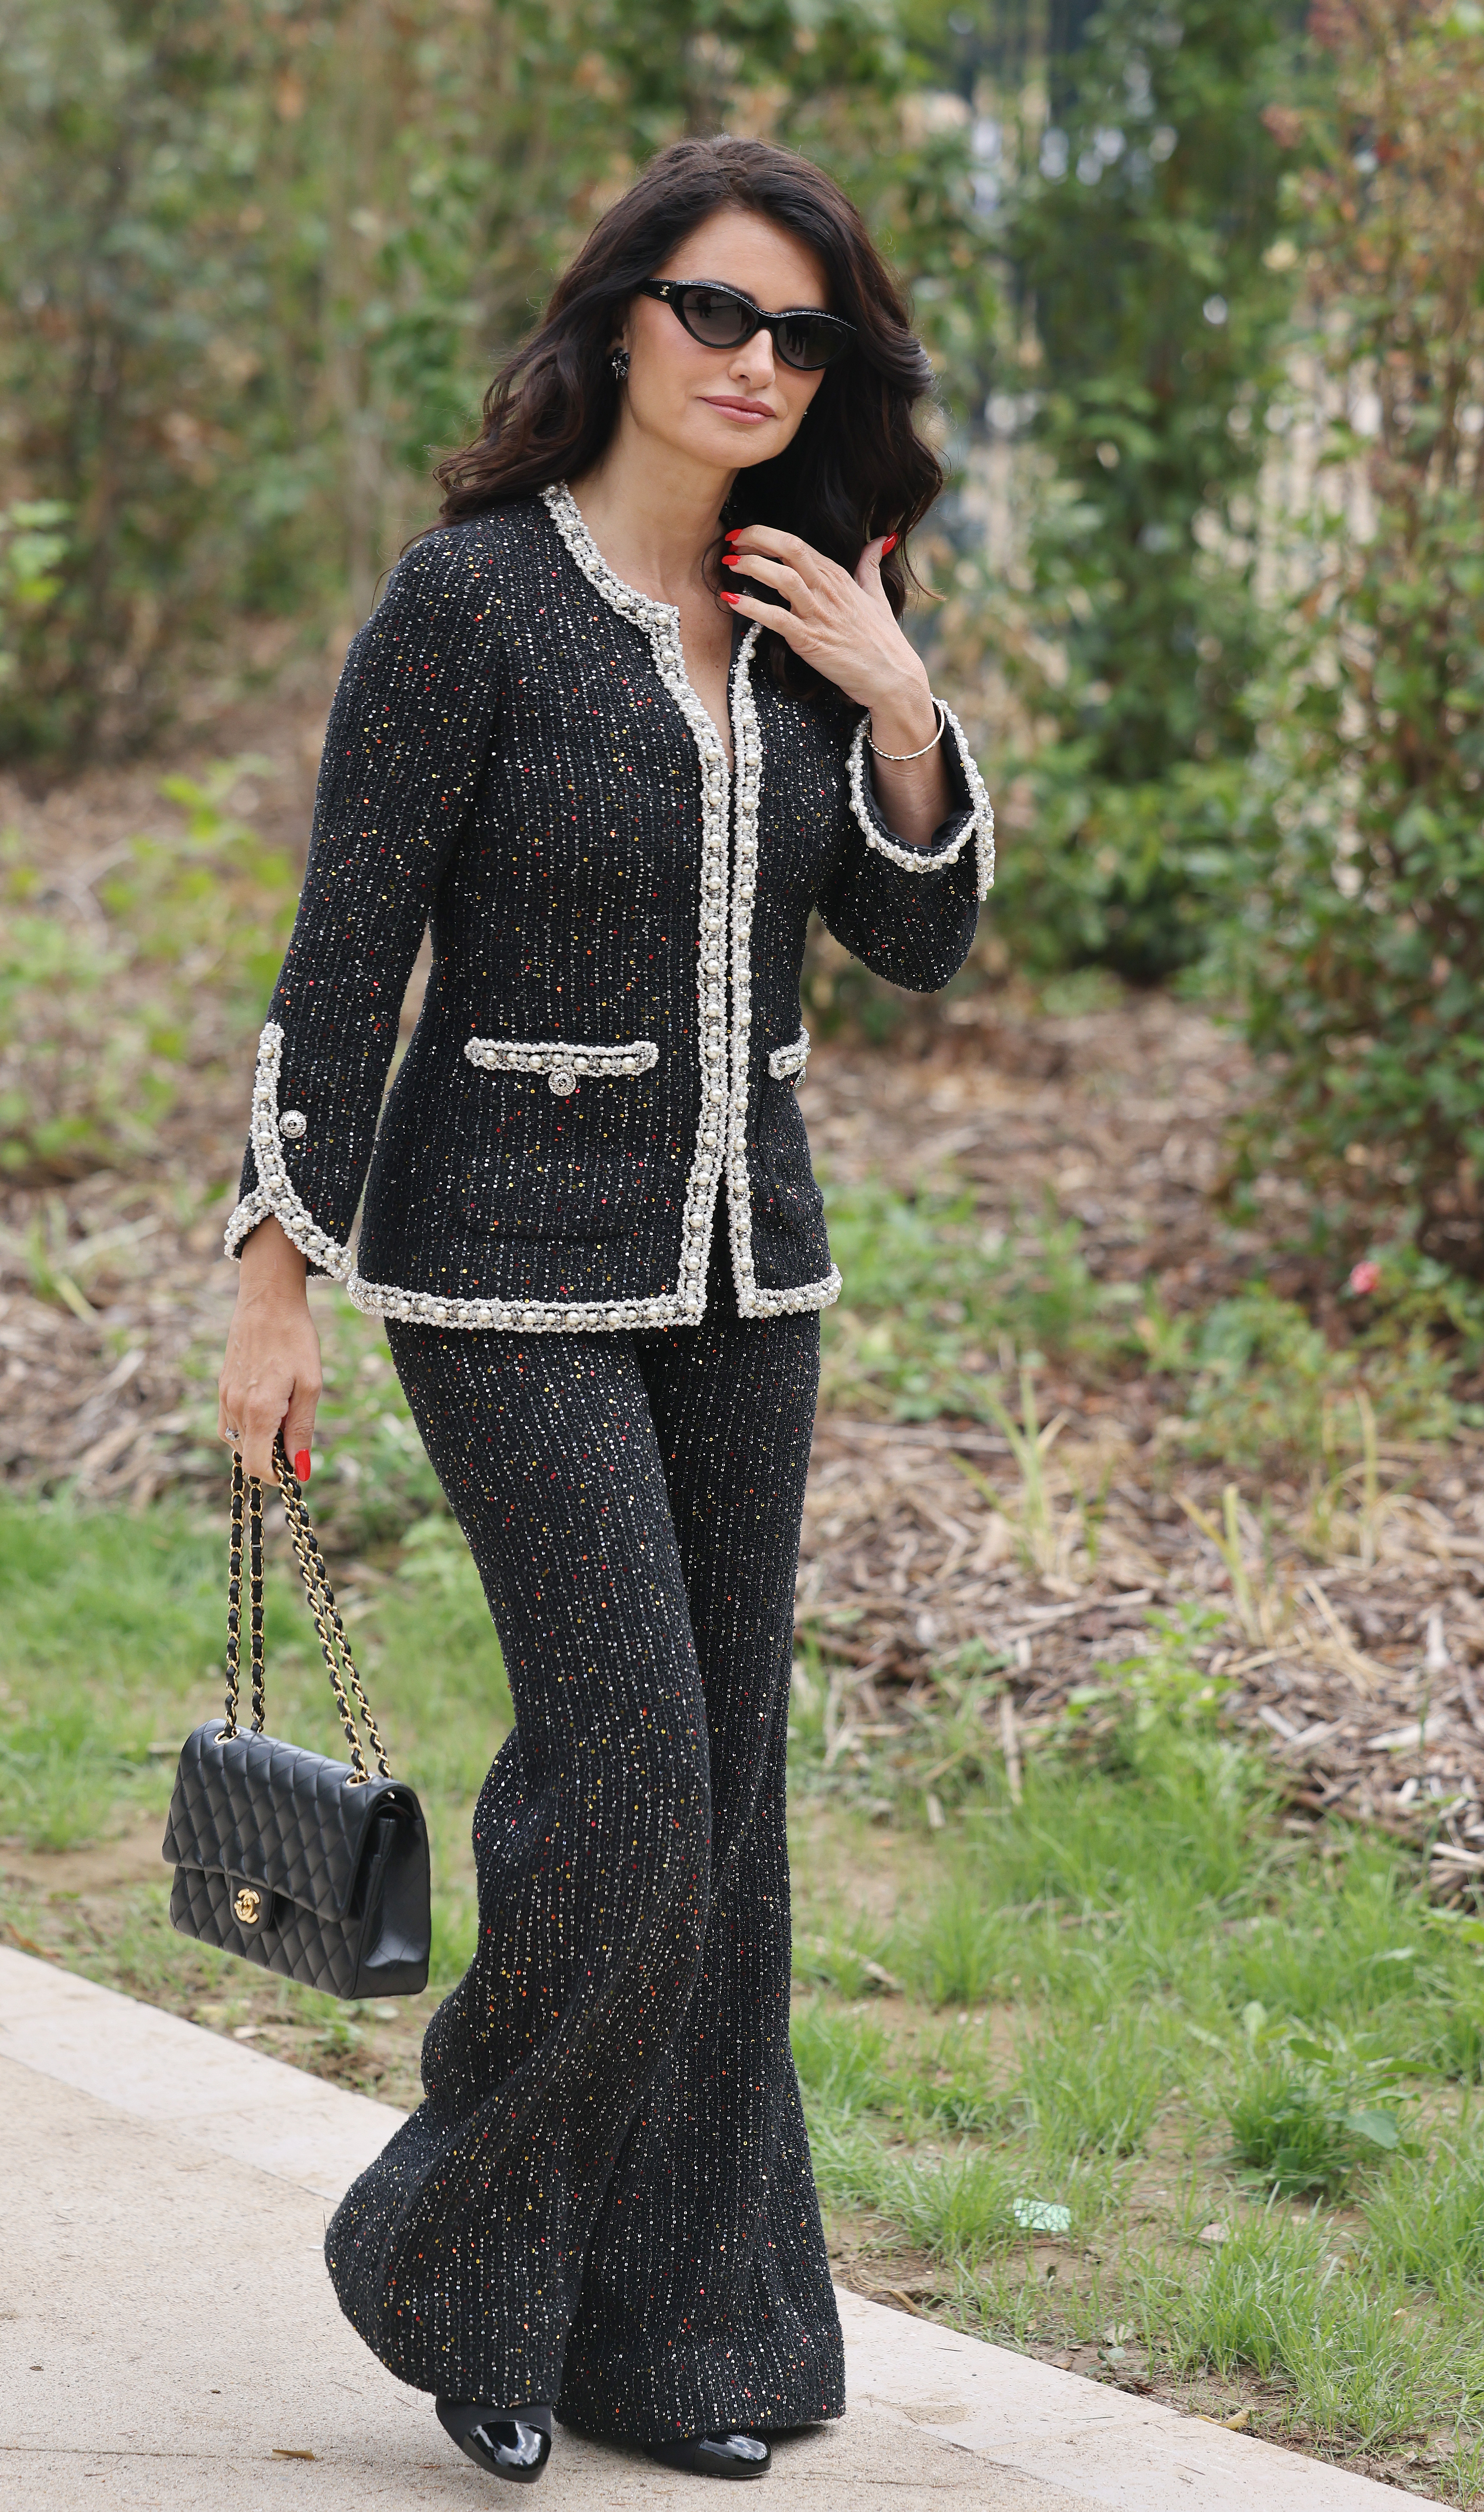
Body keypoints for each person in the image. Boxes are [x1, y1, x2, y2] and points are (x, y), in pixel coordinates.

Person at [215, 132, 993, 2488]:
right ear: (623, 322)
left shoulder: (801, 613)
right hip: (499, 1271)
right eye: (715, 314)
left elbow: (919, 939)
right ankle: (458, 2259)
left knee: (719, 1830)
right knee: (631, 1805)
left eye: (800, 333)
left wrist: (896, 704)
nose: (756, 362)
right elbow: (347, 966)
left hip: (748, 1271)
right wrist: (275, 1292)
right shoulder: (467, 608)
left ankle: (685, 2345)